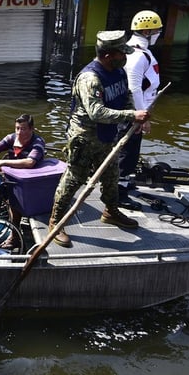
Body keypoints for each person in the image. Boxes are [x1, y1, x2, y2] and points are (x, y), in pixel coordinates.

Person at [48, 30, 150, 248]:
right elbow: (96, 112)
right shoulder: (90, 78)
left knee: (112, 174)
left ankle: (110, 210)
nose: (125, 57)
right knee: (74, 179)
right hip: (84, 137)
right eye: (121, 53)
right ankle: (55, 222)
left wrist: (133, 114)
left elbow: (126, 96)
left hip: (107, 135)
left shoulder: (118, 71)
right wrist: (132, 116)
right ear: (107, 55)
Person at [118, 10, 164, 209]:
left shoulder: (137, 51)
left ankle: (124, 183)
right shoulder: (136, 56)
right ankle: (118, 193)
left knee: (131, 150)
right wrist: (141, 116)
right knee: (127, 152)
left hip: (136, 110)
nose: (159, 34)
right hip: (133, 112)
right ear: (147, 32)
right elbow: (133, 87)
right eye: (157, 30)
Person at [0, 114, 47, 248]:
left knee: (14, 207)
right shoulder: (11, 138)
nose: (19, 132)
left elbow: (30, 162)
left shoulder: (38, 142)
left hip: (29, 183)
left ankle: (14, 238)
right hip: (10, 178)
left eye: (23, 129)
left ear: (31, 129)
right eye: (17, 128)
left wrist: (3, 162)